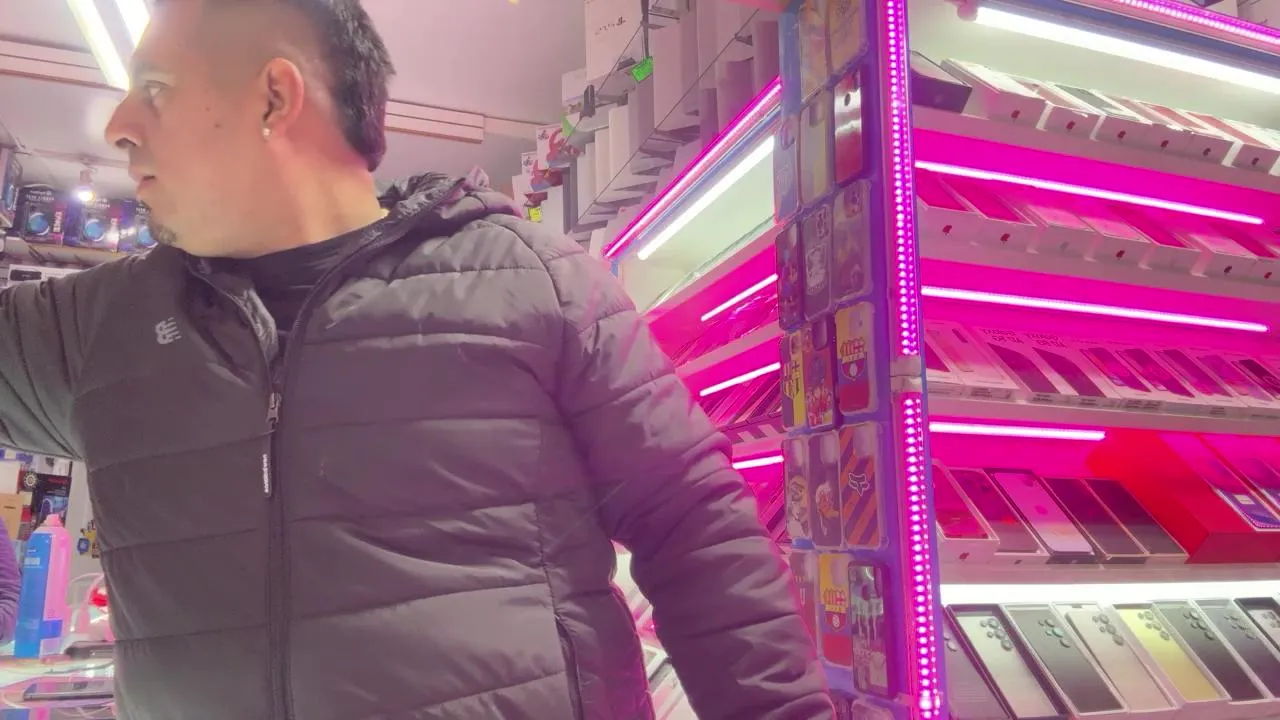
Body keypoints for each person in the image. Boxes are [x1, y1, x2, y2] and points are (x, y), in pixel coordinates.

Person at [0, 1, 831, 718]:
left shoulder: (529, 281)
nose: (117, 125)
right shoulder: (97, 327)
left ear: (274, 98)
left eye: (154, 89)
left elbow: (695, 530)